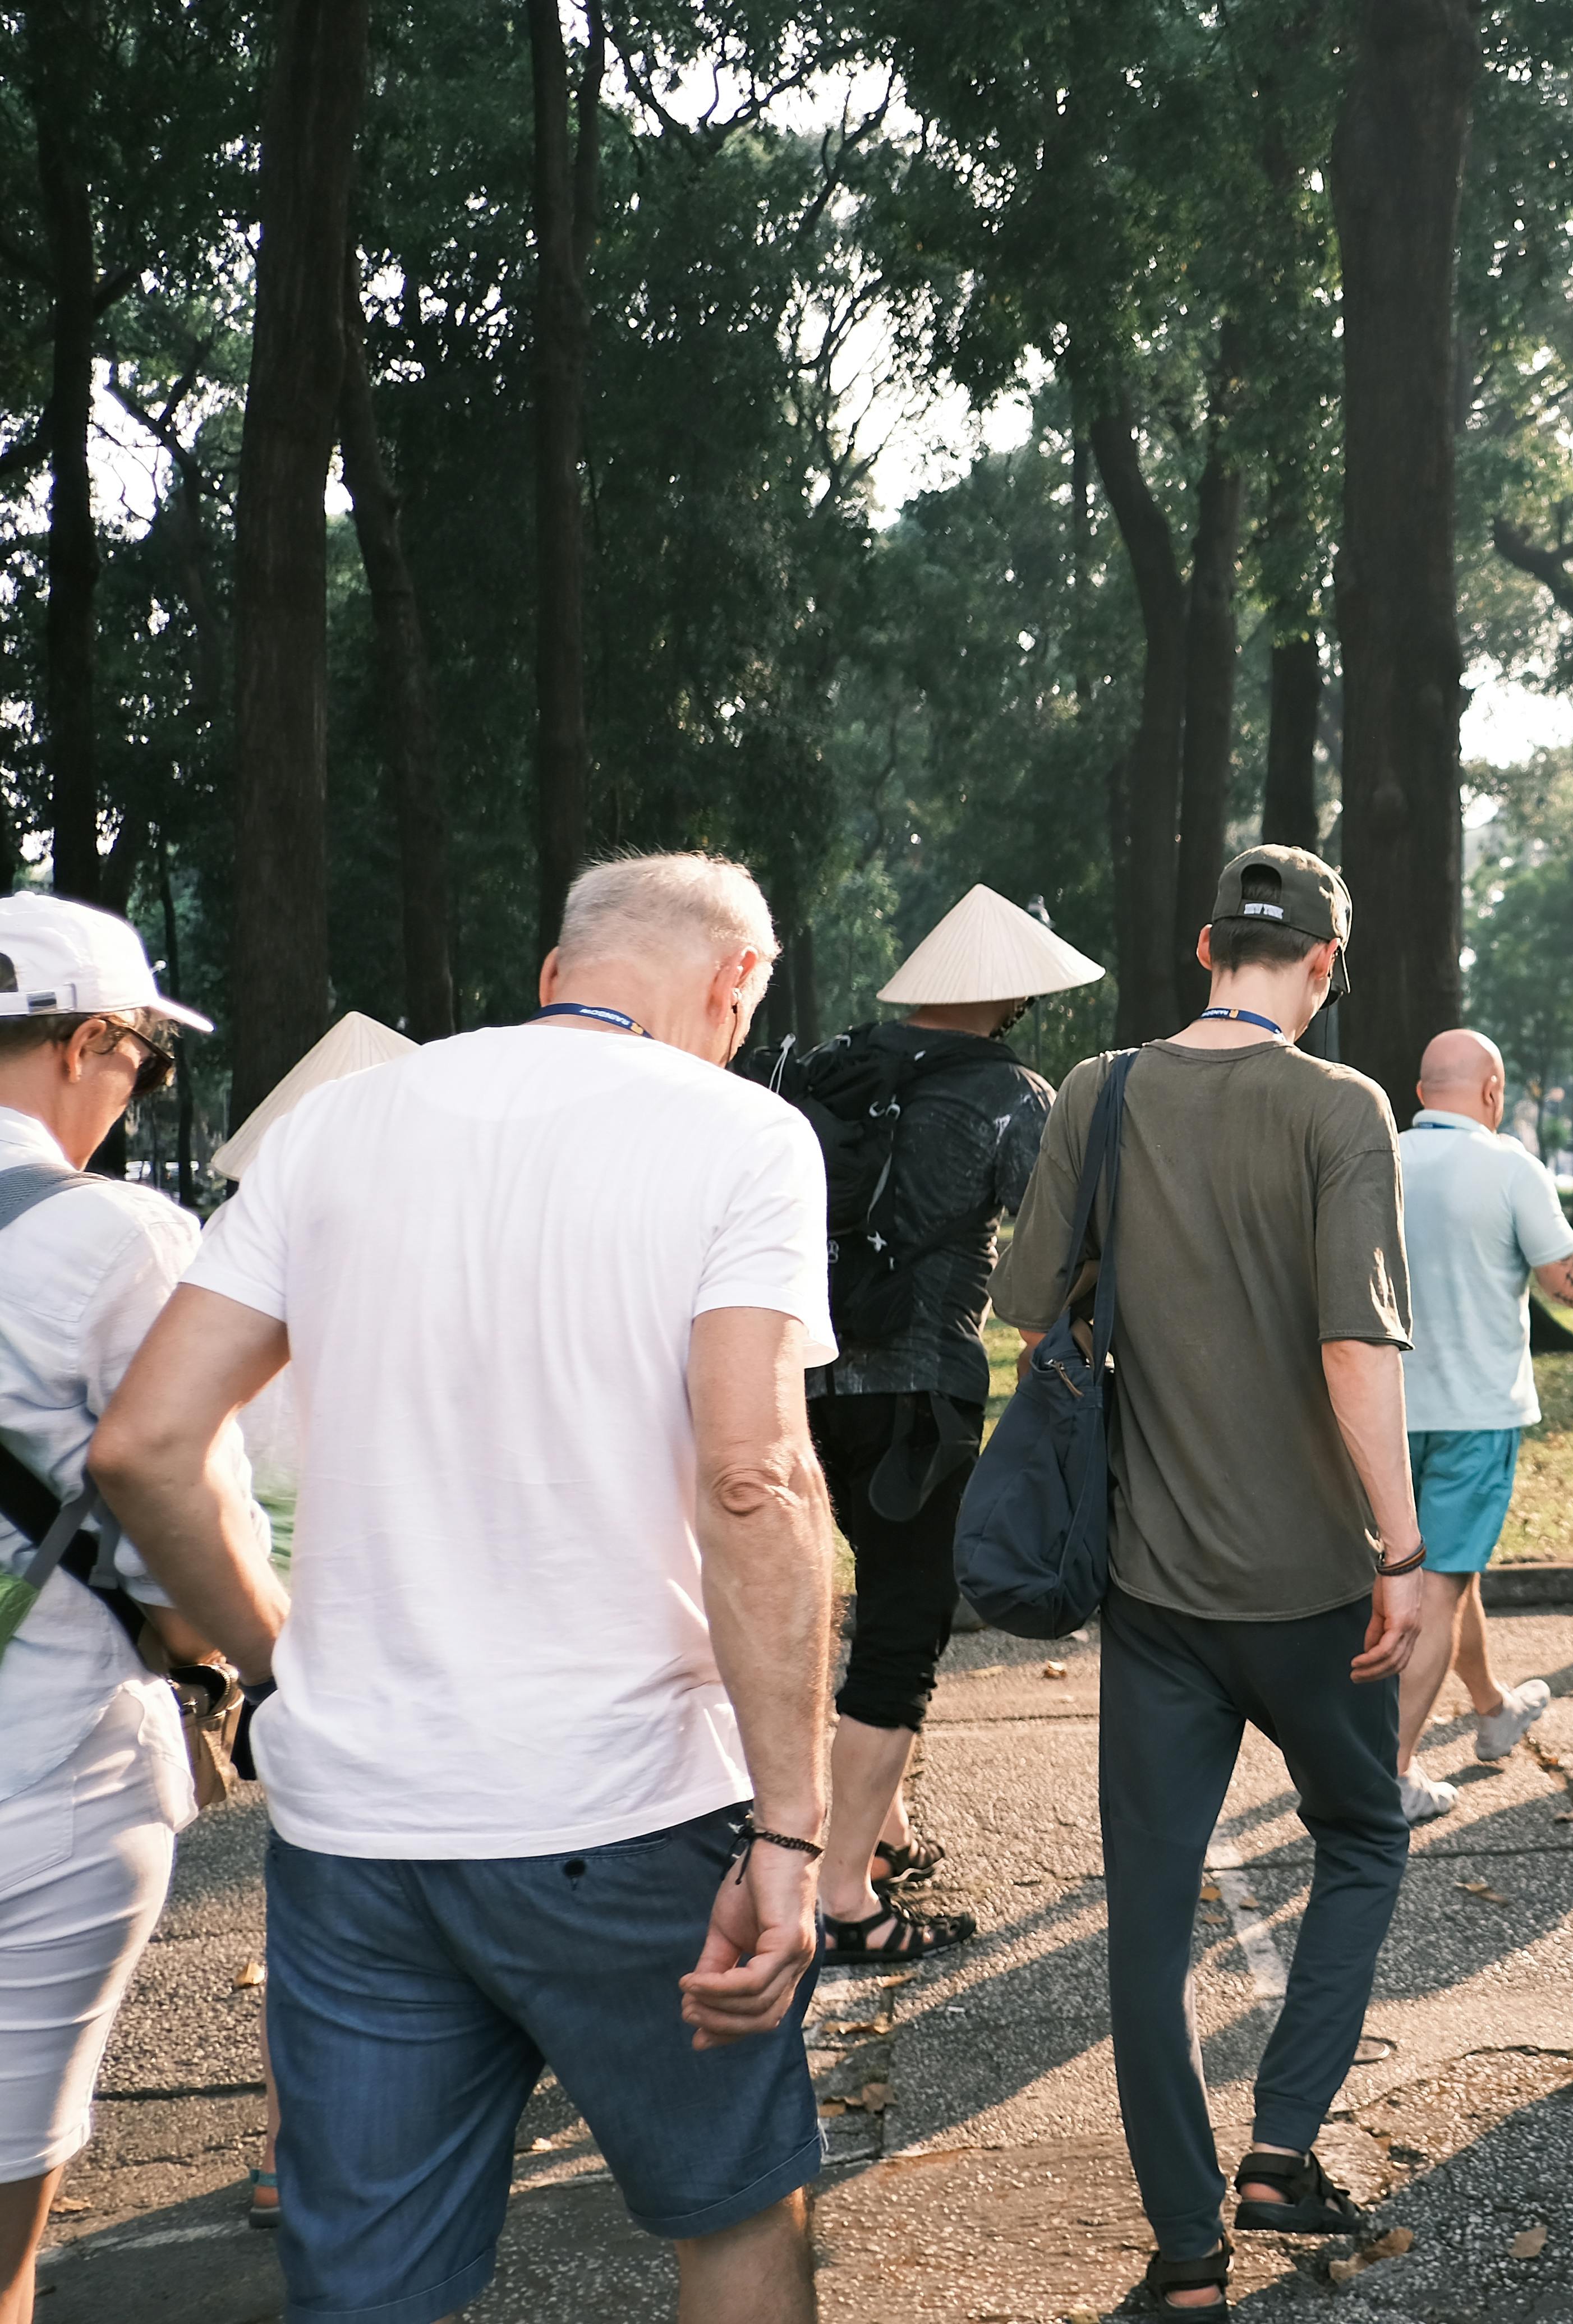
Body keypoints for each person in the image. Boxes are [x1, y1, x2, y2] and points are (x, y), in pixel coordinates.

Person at [96, 854, 840, 2324]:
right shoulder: (741, 1136)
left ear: (559, 970)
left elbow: (148, 1443)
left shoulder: (335, 1129)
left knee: (370, 2291)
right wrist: (796, 1828)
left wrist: (277, 1656)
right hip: (627, 1810)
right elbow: (756, 1481)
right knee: (736, 2218)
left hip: (360, 1824)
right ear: (729, 987)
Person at [990, 845, 1425, 2317]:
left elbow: (1024, 1299)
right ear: (1325, 963)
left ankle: (1187, 2243)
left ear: (1201, 948)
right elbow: (1358, 1349)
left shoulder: (1099, 1092)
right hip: (1311, 1586)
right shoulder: (1342, 1107)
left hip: (1155, 1593)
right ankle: (1282, 2145)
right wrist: (1407, 1550)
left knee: (1151, 1922)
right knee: (1363, 1834)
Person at [0, 895, 254, 2324]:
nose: (131, 1094)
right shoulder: (117, 1240)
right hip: (45, 1776)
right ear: (88, 1039)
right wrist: (242, 1648)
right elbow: (180, 1523)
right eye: (141, 1064)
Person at [802, 885, 1098, 1964]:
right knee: (906, 1618)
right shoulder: (1015, 1095)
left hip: (800, 1384)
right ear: (1006, 993)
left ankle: (877, 1832)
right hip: (922, 1393)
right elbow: (1062, 1243)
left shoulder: (825, 1074)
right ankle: (843, 1895)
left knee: (878, 1596)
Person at [1395, 1028, 1573, 1823]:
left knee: (1445, 1573)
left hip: (1384, 1411)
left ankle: (1492, 1708)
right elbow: (1570, 1287)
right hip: (1476, 1415)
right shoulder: (1511, 1166)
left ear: (1418, 1094)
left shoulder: (1379, 1156)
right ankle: (1392, 1774)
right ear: (1494, 1090)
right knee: (1437, 1588)